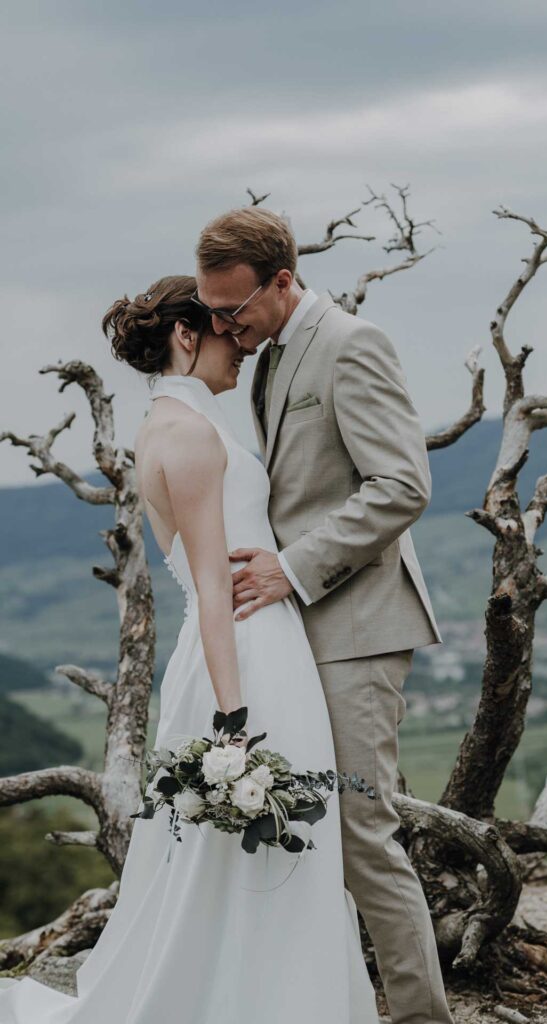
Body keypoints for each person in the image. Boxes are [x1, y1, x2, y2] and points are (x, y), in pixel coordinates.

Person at [0, 275, 380, 1023]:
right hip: (246, 657)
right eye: (226, 330)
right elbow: (211, 588)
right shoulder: (190, 434)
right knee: (257, 839)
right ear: (184, 335)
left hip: (247, 647)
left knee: (259, 843)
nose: (242, 344)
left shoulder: (173, 423)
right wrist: (234, 723)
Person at [192, 207, 453, 1024]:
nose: (224, 328)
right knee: (316, 827)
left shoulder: (350, 343)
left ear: (283, 280)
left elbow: (402, 485)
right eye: (212, 312)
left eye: (234, 309)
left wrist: (292, 567)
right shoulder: (271, 357)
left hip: (359, 626)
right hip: (302, 634)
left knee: (362, 832)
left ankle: (423, 1016)